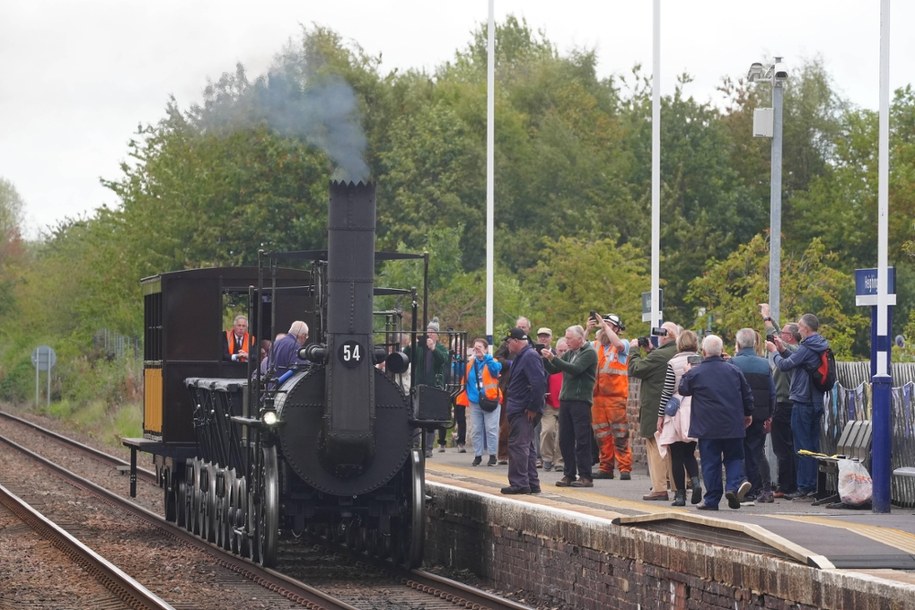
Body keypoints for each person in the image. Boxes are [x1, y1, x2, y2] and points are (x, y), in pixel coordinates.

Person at [678, 334, 754, 511]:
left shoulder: (696, 373)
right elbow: (747, 394)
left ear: (703, 352)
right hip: (732, 423)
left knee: (710, 463)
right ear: (721, 351)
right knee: (734, 458)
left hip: (707, 426)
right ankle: (732, 488)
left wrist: (688, 372)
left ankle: (712, 500)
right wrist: (748, 413)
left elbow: (683, 390)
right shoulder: (734, 371)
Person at [765, 313, 830, 500]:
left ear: (807, 329)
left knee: (802, 447)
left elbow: (785, 366)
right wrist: (782, 349)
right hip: (815, 400)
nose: (798, 329)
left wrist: (774, 352)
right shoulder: (818, 345)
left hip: (803, 401)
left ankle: (805, 487)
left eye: (800, 326)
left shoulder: (808, 346)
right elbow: (797, 360)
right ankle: (810, 485)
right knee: (811, 444)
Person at [542, 325, 597, 488]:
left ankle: (586, 475)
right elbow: (554, 369)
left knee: (582, 440)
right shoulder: (570, 353)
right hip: (566, 399)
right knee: (565, 439)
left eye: (569, 338)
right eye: (565, 338)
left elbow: (575, 369)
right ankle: (569, 473)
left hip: (580, 400)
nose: (566, 341)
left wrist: (553, 358)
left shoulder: (589, 353)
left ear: (580, 339)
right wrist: (545, 358)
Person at [628, 322, 679, 501]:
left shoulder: (659, 355)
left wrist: (634, 350)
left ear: (665, 335)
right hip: (677, 408)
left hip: (656, 406)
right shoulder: (678, 353)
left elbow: (636, 369)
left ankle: (659, 488)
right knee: (675, 448)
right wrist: (651, 350)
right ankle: (677, 485)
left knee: (656, 446)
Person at [730, 328, 776, 504]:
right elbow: (772, 394)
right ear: (755, 343)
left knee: (739, 452)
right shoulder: (765, 364)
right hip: (760, 415)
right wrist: (770, 416)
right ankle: (764, 489)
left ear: (738, 344)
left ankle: (744, 486)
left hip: (738, 416)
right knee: (757, 452)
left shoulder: (733, 363)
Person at [656, 330, 702, 506]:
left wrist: (660, 415)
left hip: (677, 409)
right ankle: (696, 482)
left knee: (676, 454)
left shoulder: (673, 363)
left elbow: (667, 390)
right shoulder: (701, 361)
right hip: (696, 408)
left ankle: (680, 495)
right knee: (690, 452)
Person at [501, 327, 547, 494]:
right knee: (527, 445)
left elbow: (538, 383)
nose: (507, 346)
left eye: (508, 342)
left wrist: (533, 408)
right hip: (519, 408)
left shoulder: (529, 356)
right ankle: (532, 483)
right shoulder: (522, 356)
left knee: (518, 446)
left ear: (515, 341)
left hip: (523, 409)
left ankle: (520, 483)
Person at [587, 314, 632, 480]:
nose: (604, 327)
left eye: (609, 325)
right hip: (597, 398)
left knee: (620, 435)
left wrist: (605, 327)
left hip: (616, 398)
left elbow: (618, 344)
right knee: (601, 435)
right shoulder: (595, 345)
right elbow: (580, 348)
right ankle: (605, 468)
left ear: (617, 329)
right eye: (603, 324)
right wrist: (588, 329)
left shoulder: (623, 344)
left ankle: (625, 468)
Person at [761, 304, 799, 498]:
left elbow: (775, 337)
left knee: (782, 447)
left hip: (784, 404)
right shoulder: (796, 350)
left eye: (783, 332)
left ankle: (786, 486)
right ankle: (788, 484)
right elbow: (777, 334)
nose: (779, 335)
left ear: (790, 337)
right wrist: (768, 320)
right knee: (786, 446)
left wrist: (767, 319)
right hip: (787, 404)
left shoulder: (791, 352)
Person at [406, 318, 450, 457]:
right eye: (428, 332)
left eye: (432, 332)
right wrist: (410, 346)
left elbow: (443, 360)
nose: (429, 334)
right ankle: (415, 444)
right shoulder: (420, 348)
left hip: (434, 386)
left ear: (437, 334)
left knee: (431, 418)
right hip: (419, 385)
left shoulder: (441, 348)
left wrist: (433, 349)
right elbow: (407, 357)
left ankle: (429, 447)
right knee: (415, 415)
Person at [463, 337, 503, 467]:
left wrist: (486, 357)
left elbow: (496, 369)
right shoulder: (470, 364)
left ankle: (492, 455)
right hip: (475, 401)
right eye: (476, 347)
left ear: (486, 349)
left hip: (490, 400)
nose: (478, 350)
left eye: (480, 347)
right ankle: (478, 455)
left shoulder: (492, 361)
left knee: (491, 429)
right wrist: (462, 358)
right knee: (476, 430)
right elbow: (458, 371)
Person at [541, 337, 567, 472]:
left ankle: (559, 461)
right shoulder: (550, 363)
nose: (562, 352)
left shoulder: (570, 363)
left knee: (562, 434)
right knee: (547, 430)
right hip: (549, 403)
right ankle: (547, 458)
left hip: (564, 403)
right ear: (556, 350)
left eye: (565, 350)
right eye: (560, 350)